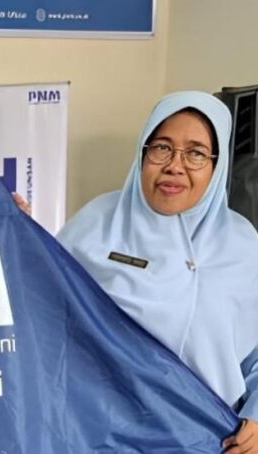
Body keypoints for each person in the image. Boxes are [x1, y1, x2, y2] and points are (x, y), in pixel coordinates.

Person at [56, 91, 258, 452]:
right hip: (99, 435)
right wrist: (4, 223)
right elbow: (37, 304)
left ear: (217, 166)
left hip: (210, 440)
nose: (174, 166)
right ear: (143, 153)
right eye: (162, 147)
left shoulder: (243, 244)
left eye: (196, 153)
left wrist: (257, 417)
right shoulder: (94, 225)